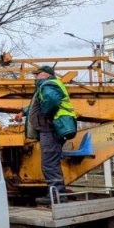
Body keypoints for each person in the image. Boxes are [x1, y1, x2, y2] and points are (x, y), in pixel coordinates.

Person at [16, 65, 77, 197]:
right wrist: (23, 112)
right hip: (50, 129)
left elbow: (51, 101)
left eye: (38, 74)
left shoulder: (48, 85)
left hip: (50, 129)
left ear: (46, 74)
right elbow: (36, 105)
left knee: (49, 163)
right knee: (50, 162)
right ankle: (57, 194)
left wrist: (44, 114)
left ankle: (57, 195)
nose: (35, 77)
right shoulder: (46, 86)